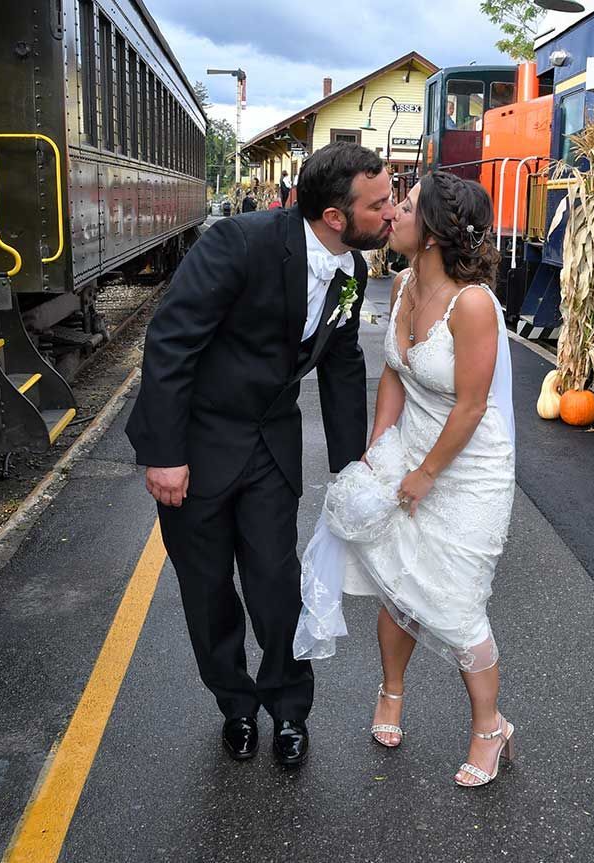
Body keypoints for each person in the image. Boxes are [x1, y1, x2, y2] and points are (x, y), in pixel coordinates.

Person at [126, 142, 394, 767]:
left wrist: (350, 466)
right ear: (334, 215)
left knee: (276, 585)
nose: (392, 212)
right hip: (195, 449)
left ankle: (289, 712)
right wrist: (164, 453)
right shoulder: (237, 244)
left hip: (271, 449)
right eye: (380, 204)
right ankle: (236, 706)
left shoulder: (350, 271)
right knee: (209, 589)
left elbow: (342, 362)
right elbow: (170, 343)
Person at [298, 170, 516, 787]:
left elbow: (472, 406)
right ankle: (391, 692)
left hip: (467, 469)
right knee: (397, 587)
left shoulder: (473, 306)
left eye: (408, 206)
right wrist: (376, 450)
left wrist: (423, 475)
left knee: (454, 602)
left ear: (435, 232)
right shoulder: (398, 283)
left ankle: (490, 728)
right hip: (411, 451)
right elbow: (393, 373)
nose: (392, 213)